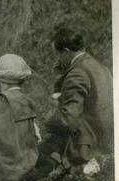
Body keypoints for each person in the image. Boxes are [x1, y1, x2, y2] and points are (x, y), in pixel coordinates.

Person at [42, 27, 113, 169]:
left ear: (66, 52)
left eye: (58, 54)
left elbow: (68, 120)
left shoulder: (77, 72)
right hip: (107, 139)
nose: (58, 59)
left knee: (37, 158)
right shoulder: (102, 68)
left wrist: (48, 119)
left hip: (85, 146)